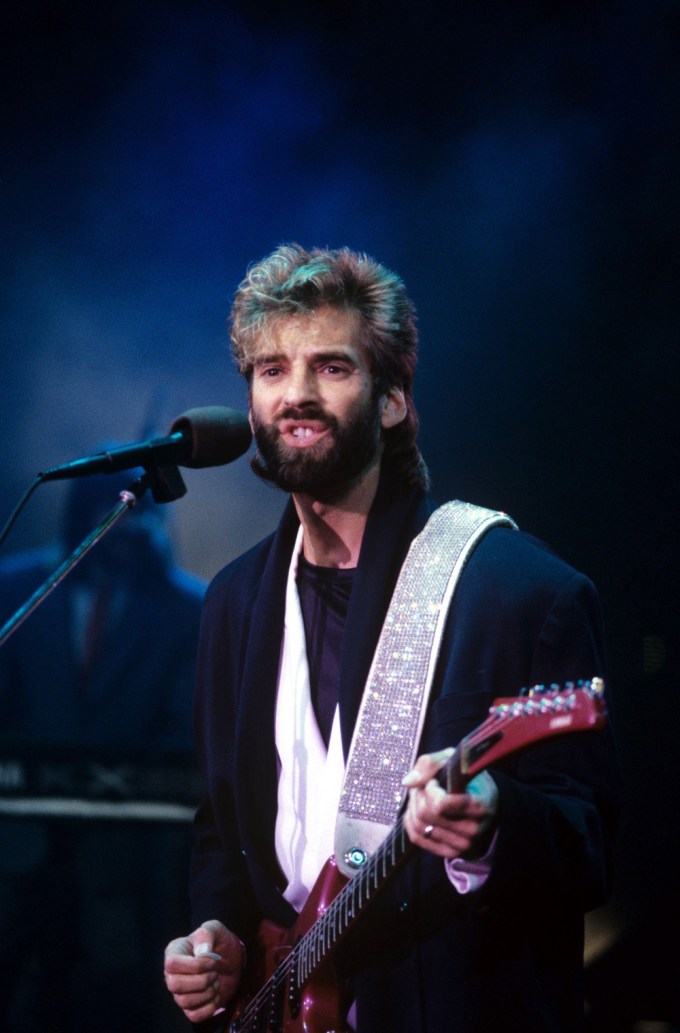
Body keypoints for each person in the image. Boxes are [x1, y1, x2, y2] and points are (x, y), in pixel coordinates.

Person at [163, 244, 618, 1032]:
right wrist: (221, 935)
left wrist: (491, 822)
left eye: (332, 367)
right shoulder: (232, 600)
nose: (296, 394)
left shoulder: (516, 590)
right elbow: (221, 830)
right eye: (271, 370)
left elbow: (589, 849)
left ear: (393, 399)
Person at [0, 469, 206, 1033]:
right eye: (116, 513)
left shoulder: (189, 608)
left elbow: (186, 733)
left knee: (112, 1004)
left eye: (146, 517)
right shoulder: (14, 588)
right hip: (14, 855)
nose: (130, 529)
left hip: (128, 864)